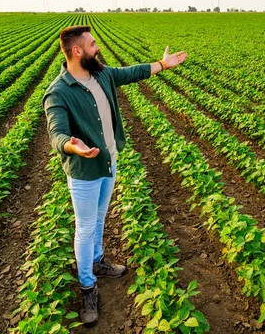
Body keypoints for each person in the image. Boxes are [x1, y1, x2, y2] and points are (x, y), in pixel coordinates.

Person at [42, 25, 188, 327]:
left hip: (108, 163)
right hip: (84, 171)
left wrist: (162, 64)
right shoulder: (58, 92)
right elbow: (56, 132)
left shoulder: (102, 75)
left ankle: (97, 262)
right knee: (84, 228)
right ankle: (87, 286)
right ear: (77, 51)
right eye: (93, 44)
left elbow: (130, 72)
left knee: (100, 217)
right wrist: (71, 145)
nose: (98, 48)